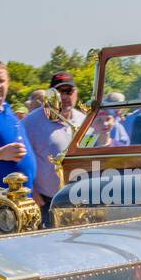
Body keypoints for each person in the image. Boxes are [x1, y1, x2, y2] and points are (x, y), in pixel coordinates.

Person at [22, 72, 86, 220]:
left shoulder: (85, 121)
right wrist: (31, 190)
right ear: (50, 95)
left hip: (79, 200)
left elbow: (90, 154)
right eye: (59, 92)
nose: (64, 97)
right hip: (44, 201)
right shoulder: (31, 122)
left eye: (68, 91)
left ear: (76, 93)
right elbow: (19, 158)